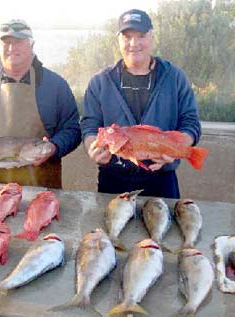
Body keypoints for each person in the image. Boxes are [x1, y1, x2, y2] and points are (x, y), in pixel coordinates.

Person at [80, 9, 202, 198]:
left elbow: (191, 122)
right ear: (119, 40)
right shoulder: (100, 81)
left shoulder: (175, 77)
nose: (133, 44)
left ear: (152, 37)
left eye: (141, 36)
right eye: (127, 37)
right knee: (111, 227)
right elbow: (89, 125)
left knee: (163, 227)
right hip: (112, 180)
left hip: (162, 180)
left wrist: (176, 149)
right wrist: (92, 147)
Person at [0, 19, 81, 188]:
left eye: (19, 41)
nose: (11, 48)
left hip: (40, 189)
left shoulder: (55, 85)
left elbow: (72, 129)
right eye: (6, 42)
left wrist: (54, 146)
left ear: (31, 44)